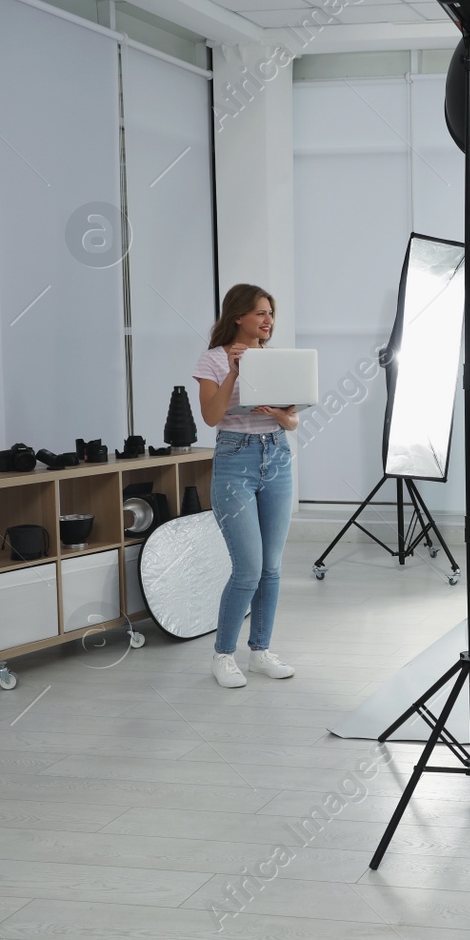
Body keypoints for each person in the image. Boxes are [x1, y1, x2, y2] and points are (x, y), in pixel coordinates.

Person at [192, 284, 299, 689]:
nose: (268, 320)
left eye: (271, 313)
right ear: (238, 316)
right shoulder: (214, 360)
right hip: (235, 461)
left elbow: (292, 421)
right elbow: (211, 416)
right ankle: (223, 655)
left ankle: (260, 652)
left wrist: (280, 414)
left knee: (271, 567)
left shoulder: (277, 361)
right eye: (260, 313)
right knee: (248, 569)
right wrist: (237, 371)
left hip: (277, 456)